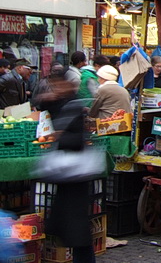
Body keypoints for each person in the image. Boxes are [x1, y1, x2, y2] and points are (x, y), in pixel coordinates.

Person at [37, 69, 96, 263]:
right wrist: (49, 96)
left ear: (69, 85)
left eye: (60, 84)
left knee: (77, 229)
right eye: (55, 85)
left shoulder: (74, 104)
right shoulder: (60, 102)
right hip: (68, 175)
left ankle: (84, 260)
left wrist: (60, 135)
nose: (57, 88)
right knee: (69, 226)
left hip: (76, 174)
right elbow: (41, 104)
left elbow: (77, 139)